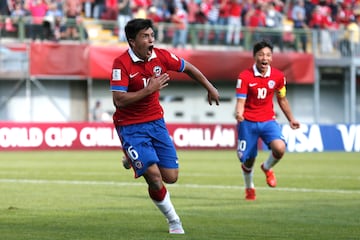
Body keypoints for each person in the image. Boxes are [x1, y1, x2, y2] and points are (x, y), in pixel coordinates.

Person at [110, 18, 220, 234]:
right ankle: (174, 220)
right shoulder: (121, 64)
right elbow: (119, 100)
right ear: (132, 41)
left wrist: (209, 86)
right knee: (154, 176)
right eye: (146, 36)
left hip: (156, 123)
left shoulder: (161, 56)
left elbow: (188, 67)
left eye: (152, 35)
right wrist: (148, 90)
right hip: (131, 127)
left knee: (171, 177)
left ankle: (131, 157)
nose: (151, 40)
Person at [234, 40, 300, 201]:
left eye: (268, 55)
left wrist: (291, 119)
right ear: (254, 56)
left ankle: (267, 167)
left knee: (280, 148)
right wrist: (239, 113)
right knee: (247, 159)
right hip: (248, 122)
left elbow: (282, 99)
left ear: (272, 57)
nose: (265, 58)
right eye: (261, 54)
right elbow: (241, 101)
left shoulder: (278, 76)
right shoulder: (244, 77)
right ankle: (249, 188)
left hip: (268, 120)